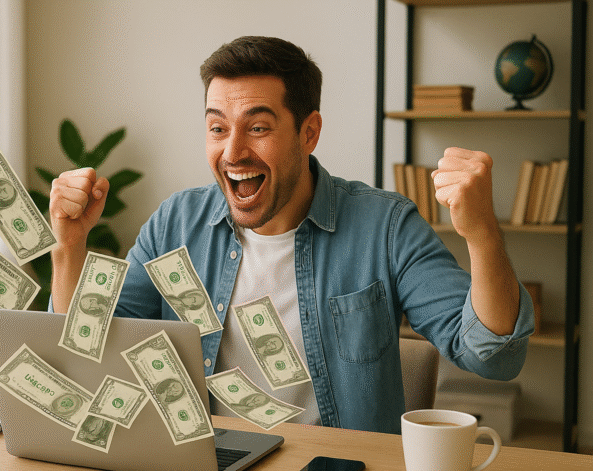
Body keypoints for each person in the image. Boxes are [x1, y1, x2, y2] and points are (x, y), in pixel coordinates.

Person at [47, 36, 534, 434]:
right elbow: (90, 354)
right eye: (217, 129)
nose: (233, 152)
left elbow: (494, 356)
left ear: (309, 132)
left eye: (257, 127)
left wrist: (482, 233)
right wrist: (69, 250)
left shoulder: (385, 228)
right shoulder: (176, 224)